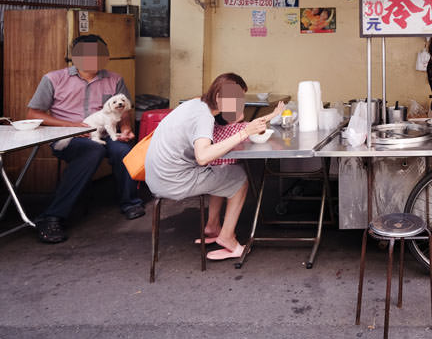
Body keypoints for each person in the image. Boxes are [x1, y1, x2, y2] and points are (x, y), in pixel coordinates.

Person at [144, 73, 281, 261]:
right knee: (240, 178)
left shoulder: (194, 104)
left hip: (156, 176)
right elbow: (203, 156)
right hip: (173, 181)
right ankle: (228, 239)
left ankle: (212, 227)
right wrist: (245, 132)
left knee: (223, 170)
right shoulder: (204, 117)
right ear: (218, 97)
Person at [26, 34, 144, 244]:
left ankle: (130, 202)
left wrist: (125, 129)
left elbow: (124, 111)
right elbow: (34, 115)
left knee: (124, 150)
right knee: (92, 150)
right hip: (69, 137)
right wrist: (71, 127)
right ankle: (52, 216)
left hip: (107, 133)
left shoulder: (115, 79)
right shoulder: (53, 78)